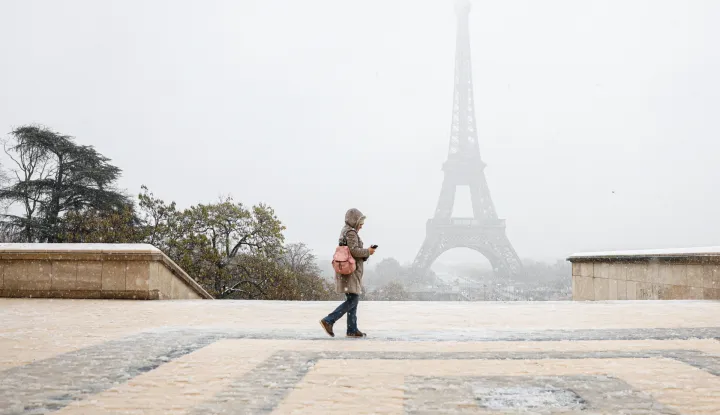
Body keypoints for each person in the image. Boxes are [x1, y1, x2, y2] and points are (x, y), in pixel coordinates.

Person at [320, 208, 376, 338]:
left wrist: (366, 253)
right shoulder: (351, 232)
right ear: (355, 221)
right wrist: (367, 251)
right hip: (351, 271)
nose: (361, 226)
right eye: (360, 223)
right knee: (353, 300)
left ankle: (352, 329)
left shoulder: (346, 230)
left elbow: (350, 251)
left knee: (352, 299)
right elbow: (354, 251)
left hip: (347, 269)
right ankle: (329, 320)